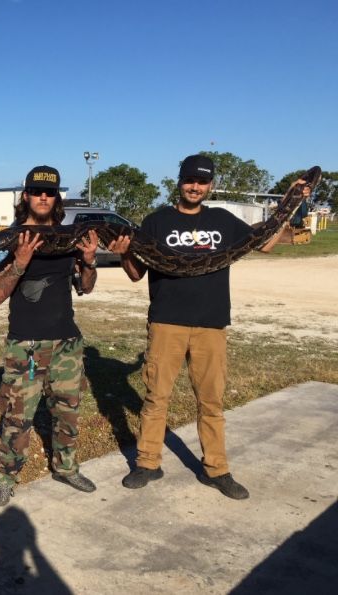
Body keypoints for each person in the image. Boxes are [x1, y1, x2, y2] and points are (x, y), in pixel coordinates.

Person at [109, 154, 290, 499]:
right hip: (166, 322)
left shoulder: (224, 221)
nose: (195, 186)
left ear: (211, 185)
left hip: (211, 323)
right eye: (190, 180)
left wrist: (288, 206)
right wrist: (123, 253)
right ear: (179, 181)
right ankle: (147, 463)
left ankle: (216, 469)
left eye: (203, 182)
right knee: (156, 396)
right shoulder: (156, 221)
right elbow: (136, 274)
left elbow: (264, 243)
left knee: (211, 400)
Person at [0, 165, 99, 507]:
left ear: (57, 197)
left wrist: (90, 261)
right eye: (37, 191)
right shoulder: (11, 238)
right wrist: (19, 263)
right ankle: (5, 477)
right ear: (26, 196)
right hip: (26, 345)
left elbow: (86, 288)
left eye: (49, 192)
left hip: (67, 342)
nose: (43, 197)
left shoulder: (69, 238)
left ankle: (66, 468)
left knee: (68, 413)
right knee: (17, 418)